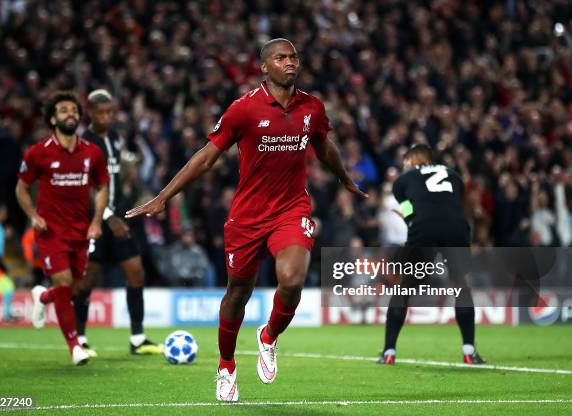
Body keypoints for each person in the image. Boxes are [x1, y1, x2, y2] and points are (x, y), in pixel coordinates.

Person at [126, 38, 366, 401]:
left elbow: (323, 144)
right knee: (237, 293)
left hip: (291, 209)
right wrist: (163, 197)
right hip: (247, 217)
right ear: (264, 68)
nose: (290, 62)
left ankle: (268, 336)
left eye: (293, 57)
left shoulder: (312, 107)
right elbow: (206, 157)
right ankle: (226, 365)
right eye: (281, 58)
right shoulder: (244, 110)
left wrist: (344, 178)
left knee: (292, 279)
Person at [15, 91, 109, 366]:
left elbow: (102, 186)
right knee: (65, 283)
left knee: (75, 289)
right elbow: (21, 188)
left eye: (74, 110)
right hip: (50, 231)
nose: (70, 113)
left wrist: (96, 221)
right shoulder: (38, 152)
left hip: (81, 231)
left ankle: (42, 297)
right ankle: (74, 346)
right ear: (53, 118)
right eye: (64, 110)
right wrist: (33, 215)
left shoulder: (92, 152)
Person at [377, 144, 486, 365]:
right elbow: (458, 205)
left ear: (415, 159)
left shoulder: (402, 182)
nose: (404, 166)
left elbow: (409, 212)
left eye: (406, 162)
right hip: (456, 227)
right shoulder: (454, 176)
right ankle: (469, 351)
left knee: (404, 287)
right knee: (461, 284)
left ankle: (389, 351)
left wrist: (409, 219)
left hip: (424, 229)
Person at [74, 89, 162, 357]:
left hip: (117, 215)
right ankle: (78, 338)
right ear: (90, 113)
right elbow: (86, 186)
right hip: (95, 221)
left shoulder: (114, 138)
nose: (106, 117)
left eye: (110, 112)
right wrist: (108, 218)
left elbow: (118, 177)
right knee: (87, 278)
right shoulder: (83, 145)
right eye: (100, 112)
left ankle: (137, 338)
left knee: (136, 271)